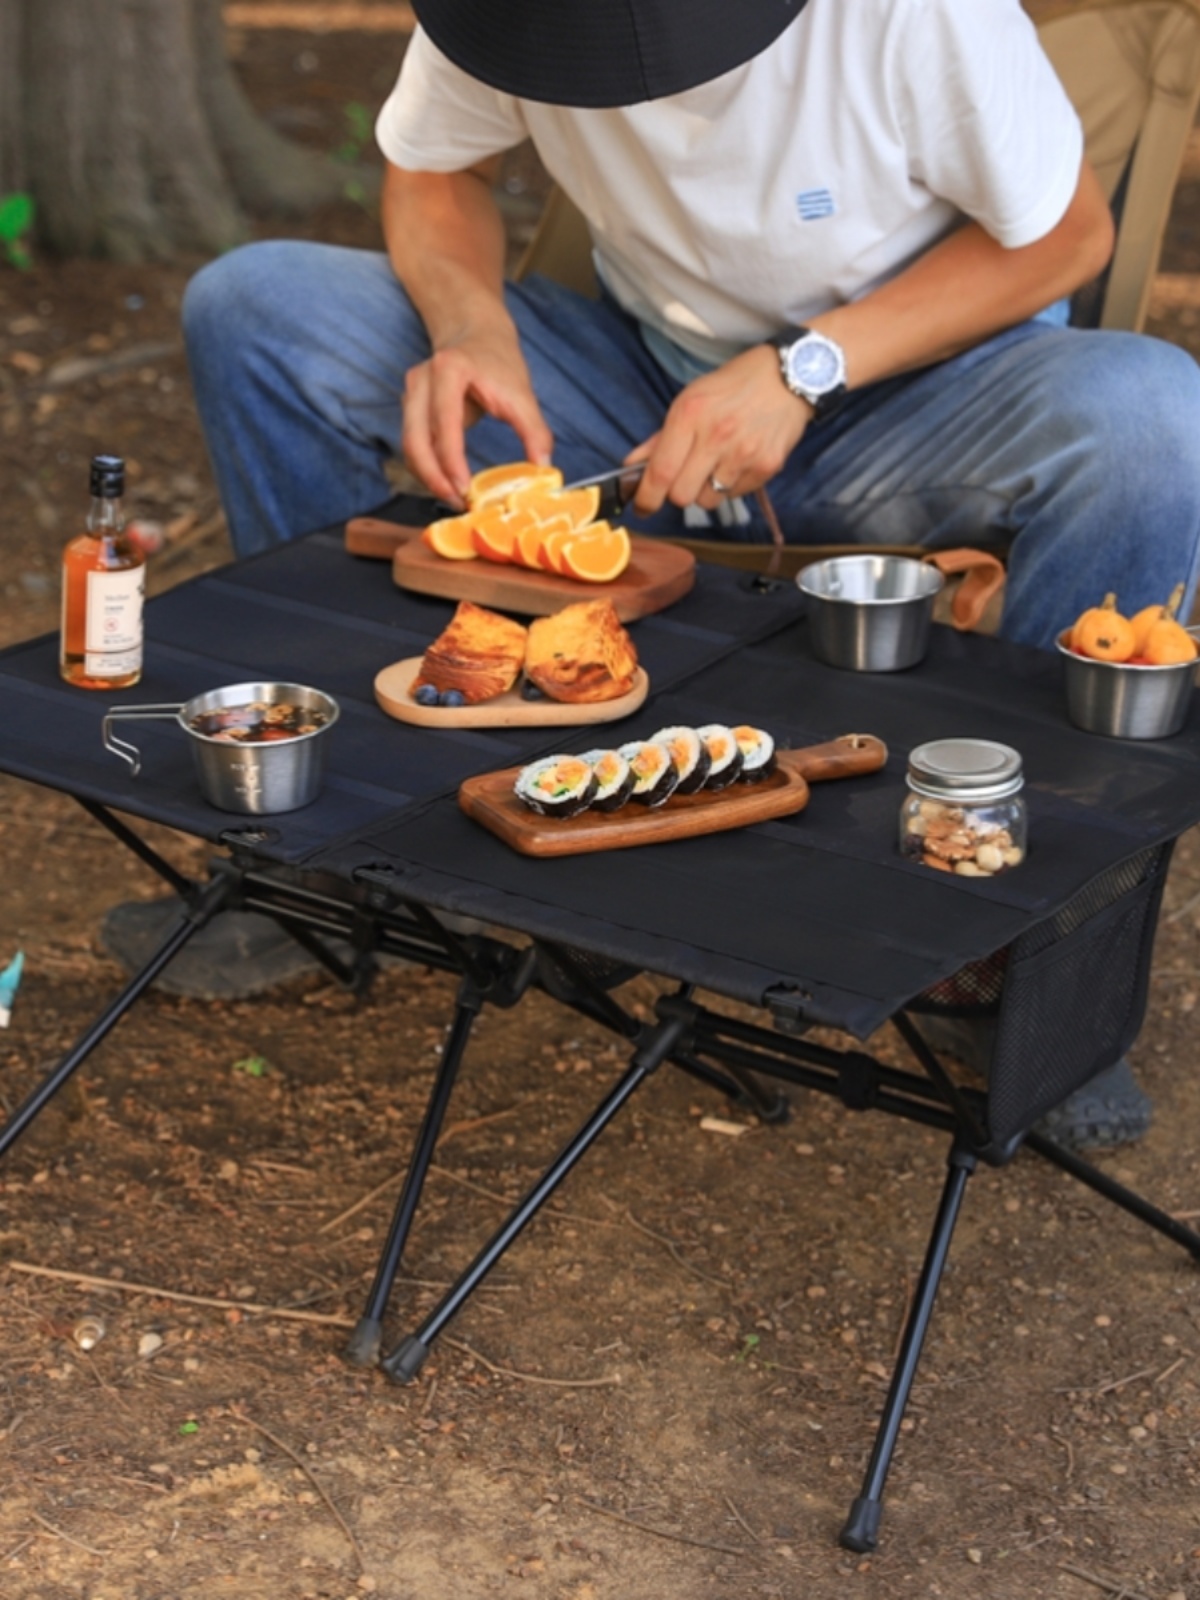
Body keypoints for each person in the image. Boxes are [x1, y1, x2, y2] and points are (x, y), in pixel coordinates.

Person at [109, 0, 1200, 1146]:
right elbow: (432, 170)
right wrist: (469, 325)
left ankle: (1040, 973)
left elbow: (1069, 236)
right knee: (257, 308)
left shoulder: (911, 13)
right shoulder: (506, 18)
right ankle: (336, 841)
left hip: (926, 394)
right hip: (641, 385)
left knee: (1156, 422)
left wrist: (804, 369)